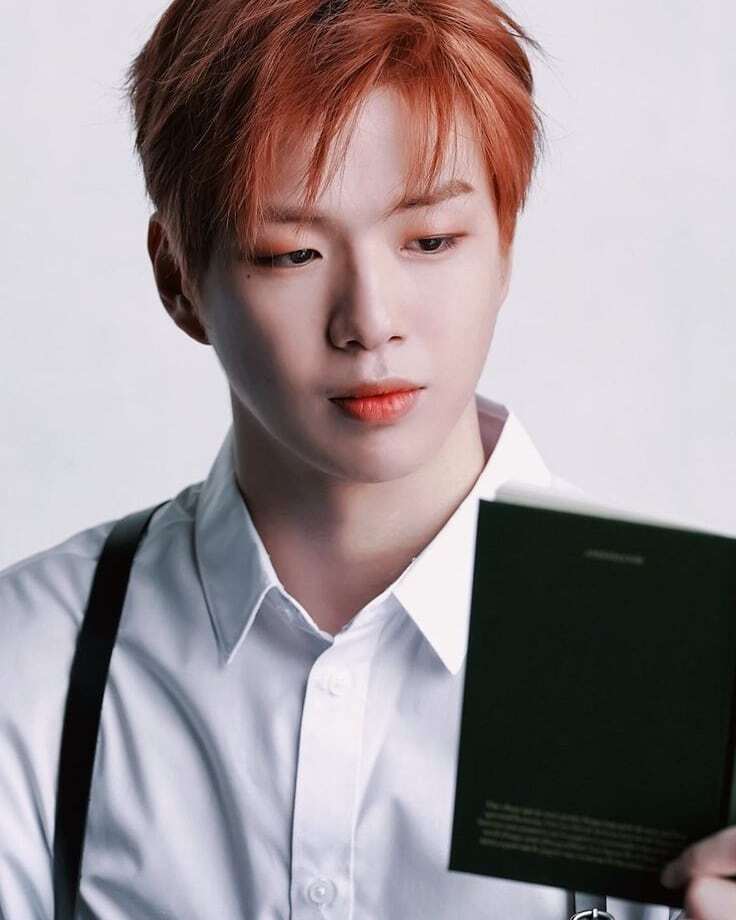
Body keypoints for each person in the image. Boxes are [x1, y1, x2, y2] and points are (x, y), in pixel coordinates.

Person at [1, 0, 733, 917]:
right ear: (177, 276)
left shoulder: (696, 668)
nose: (371, 321)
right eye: (291, 253)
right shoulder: (32, 657)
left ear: (506, 245)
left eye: (431, 241)